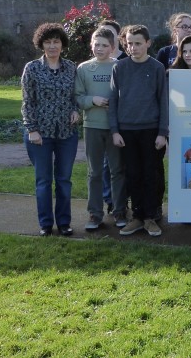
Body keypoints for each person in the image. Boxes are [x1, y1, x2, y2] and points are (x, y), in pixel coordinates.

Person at [109, 25, 169, 237]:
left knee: (150, 174)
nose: (133, 47)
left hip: (151, 130)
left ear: (148, 43)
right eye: (129, 44)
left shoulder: (157, 68)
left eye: (138, 43)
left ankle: (150, 217)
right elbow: (113, 101)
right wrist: (115, 131)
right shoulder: (119, 67)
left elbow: (163, 100)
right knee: (133, 174)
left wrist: (162, 132)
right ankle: (137, 216)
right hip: (126, 131)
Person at [22, 23, 80, 237]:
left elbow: (76, 96)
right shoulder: (32, 68)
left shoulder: (71, 67)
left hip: (67, 133)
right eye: (48, 42)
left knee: (64, 180)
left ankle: (64, 223)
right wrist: (32, 129)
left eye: (56, 41)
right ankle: (45, 223)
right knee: (44, 181)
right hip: (40, 134)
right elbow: (27, 101)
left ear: (62, 44)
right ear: (41, 44)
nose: (52, 46)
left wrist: (76, 110)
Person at [74, 27, 126, 230]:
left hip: (115, 128)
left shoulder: (119, 66)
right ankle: (95, 214)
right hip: (92, 126)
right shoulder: (84, 68)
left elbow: (126, 95)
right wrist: (93, 100)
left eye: (105, 45)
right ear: (91, 45)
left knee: (117, 171)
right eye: (96, 44)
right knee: (94, 172)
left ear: (113, 47)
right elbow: (78, 97)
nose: (100, 48)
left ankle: (119, 211)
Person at [97, 19, 127, 215]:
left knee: (121, 165)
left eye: (110, 34)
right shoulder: (95, 61)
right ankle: (110, 200)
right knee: (105, 165)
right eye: (102, 33)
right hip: (101, 122)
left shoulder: (126, 59)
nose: (106, 37)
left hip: (123, 121)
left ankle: (122, 201)